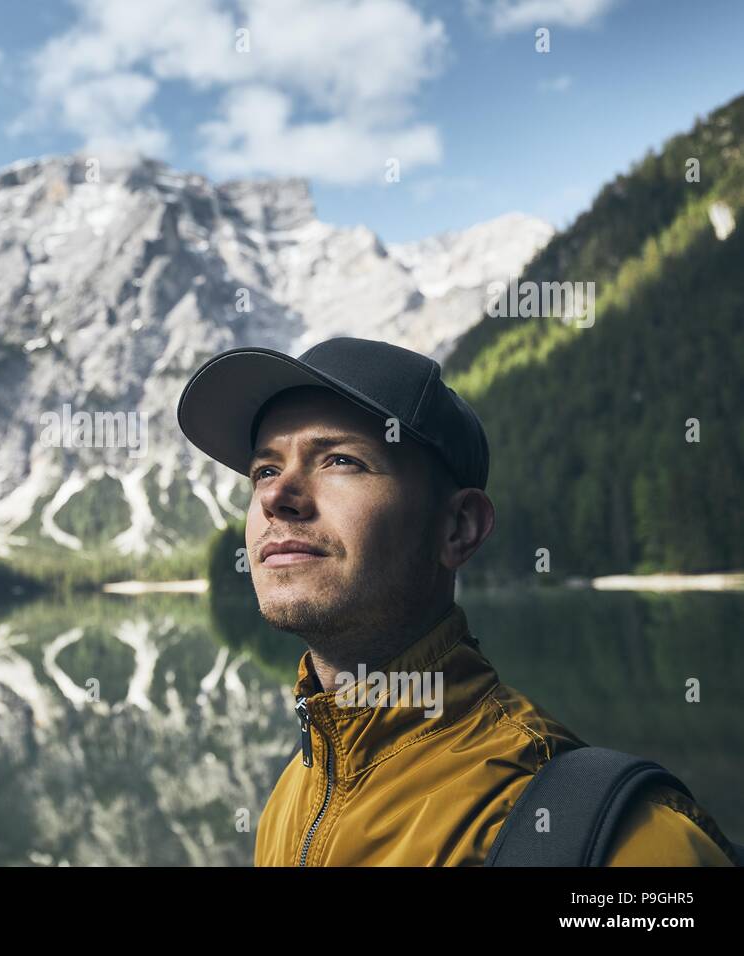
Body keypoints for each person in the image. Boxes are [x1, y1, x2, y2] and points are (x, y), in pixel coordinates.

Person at [176, 336, 737, 866]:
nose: (275, 495)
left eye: (340, 460)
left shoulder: (621, 841)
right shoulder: (290, 799)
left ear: (459, 529)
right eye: (265, 470)